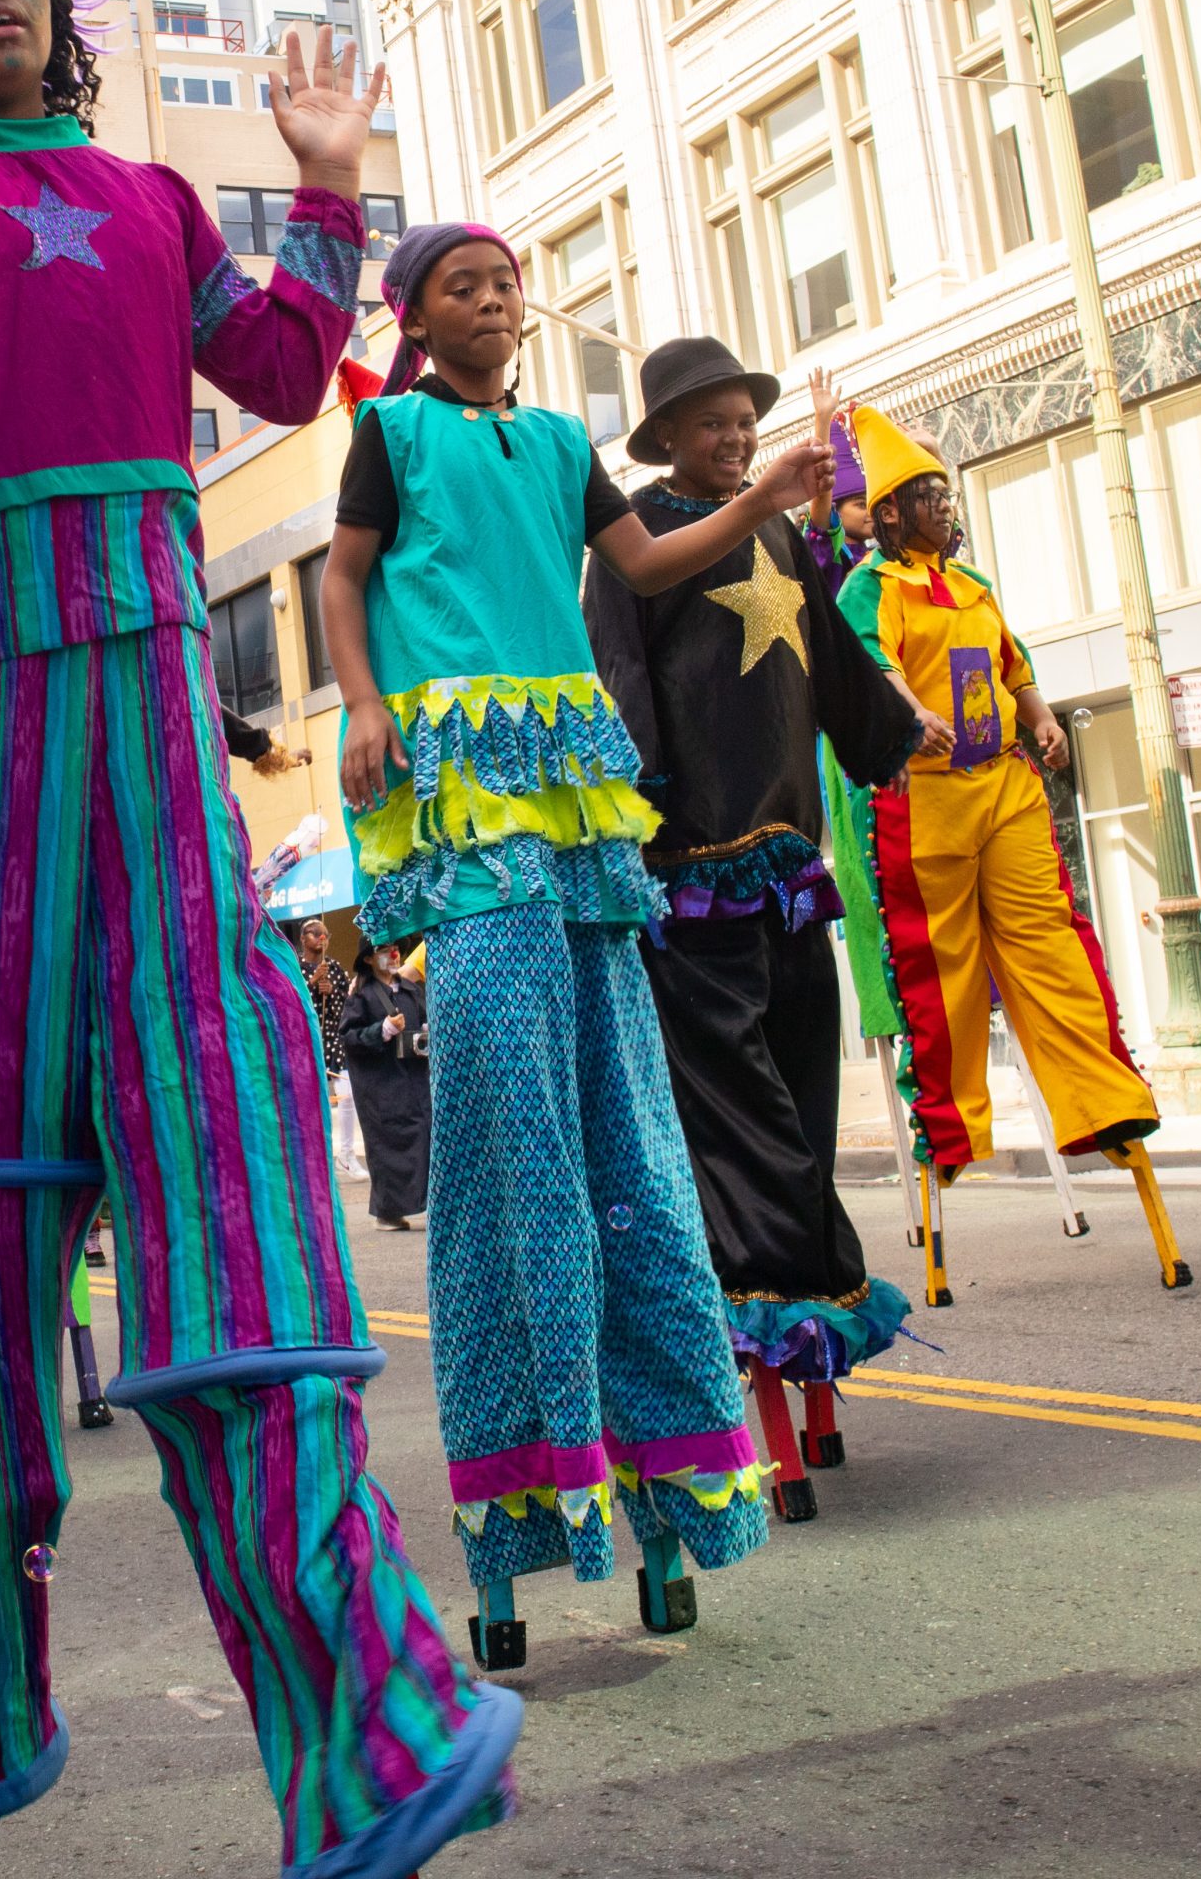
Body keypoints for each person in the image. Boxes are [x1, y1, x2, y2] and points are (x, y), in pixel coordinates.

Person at [0, 0, 517, 1872]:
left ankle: (368, 1736)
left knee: (247, 1315)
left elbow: (274, 372)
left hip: (160, 826)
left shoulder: (155, 201)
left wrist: (325, 197)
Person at [323, 223, 806, 1661]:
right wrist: (360, 706)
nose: (496, 303)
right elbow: (342, 582)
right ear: (414, 315)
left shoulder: (555, 442)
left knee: (631, 1150)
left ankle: (662, 1485)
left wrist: (769, 493)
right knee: (510, 1147)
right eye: (463, 287)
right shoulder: (389, 433)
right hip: (465, 809)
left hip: (577, 815)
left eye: (507, 283)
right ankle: (527, 1504)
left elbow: (651, 566)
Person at [584, 345, 922, 1515]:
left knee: (803, 1100)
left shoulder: (780, 531)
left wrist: (899, 726)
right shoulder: (632, 543)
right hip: (690, 882)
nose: (734, 439)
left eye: (744, 421)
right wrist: (632, 824)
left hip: (789, 873)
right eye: (713, 424)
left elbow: (834, 659)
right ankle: (772, 1312)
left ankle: (810, 1345)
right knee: (740, 1123)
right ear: (667, 433)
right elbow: (619, 682)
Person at [834, 406, 1187, 1292]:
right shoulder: (866, 588)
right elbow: (870, 665)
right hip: (925, 803)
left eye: (946, 496)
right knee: (942, 971)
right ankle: (951, 1133)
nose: (945, 510)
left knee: (1051, 946)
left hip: (1006, 788)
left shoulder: (975, 582)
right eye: (927, 497)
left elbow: (1013, 663)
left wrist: (1042, 720)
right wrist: (911, 716)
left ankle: (1106, 1107)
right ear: (886, 514)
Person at [336, 941, 430, 1228]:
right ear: (367, 959)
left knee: (424, 1139)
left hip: (414, 1080)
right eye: (383, 950)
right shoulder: (361, 997)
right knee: (387, 1147)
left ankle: (425, 1203)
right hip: (380, 1085)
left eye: (395, 948)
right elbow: (349, 1038)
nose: (393, 955)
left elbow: (425, 1020)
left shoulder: (412, 991)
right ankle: (387, 1211)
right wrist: (382, 1030)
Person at [292, 918, 362, 1181]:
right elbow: (290, 1002)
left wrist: (331, 992)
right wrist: (310, 985)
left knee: (346, 1095)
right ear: (303, 938)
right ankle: (314, 1155)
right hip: (306, 1041)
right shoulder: (293, 967)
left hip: (334, 1039)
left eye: (326, 934)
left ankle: (346, 1154)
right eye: (316, 934)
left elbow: (347, 1006)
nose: (322, 938)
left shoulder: (334, 968)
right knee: (310, 1100)